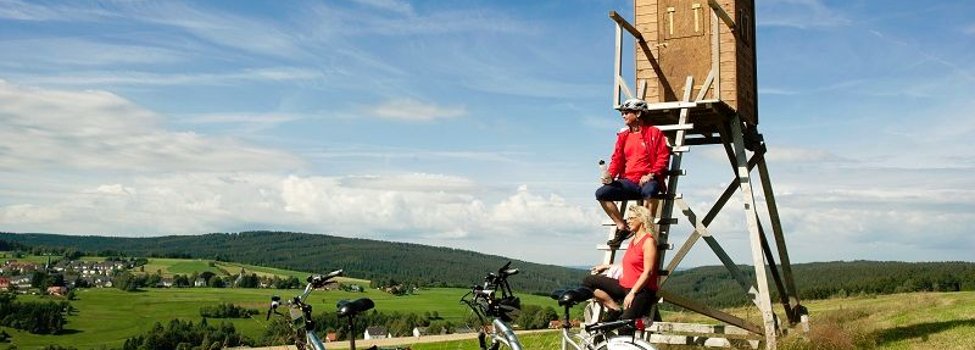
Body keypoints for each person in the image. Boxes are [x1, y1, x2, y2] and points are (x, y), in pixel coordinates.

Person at [595, 98, 671, 247]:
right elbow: (617, 159)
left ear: (638, 113)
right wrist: (610, 175)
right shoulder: (623, 136)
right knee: (601, 193)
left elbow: (663, 157)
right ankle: (623, 227)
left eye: (626, 112)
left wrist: (651, 174)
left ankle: (647, 231)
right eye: (622, 113)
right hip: (628, 182)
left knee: (650, 190)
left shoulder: (654, 132)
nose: (623, 115)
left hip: (648, 180)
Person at [583, 204, 659, 321]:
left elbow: (648, 272)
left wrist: (632, 293)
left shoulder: (648, 241)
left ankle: (624, 323)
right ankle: (614, 308)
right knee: (588, 282)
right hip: (624, 285)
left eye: (631, 218)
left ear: (642, 219)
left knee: (624, 323)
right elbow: (628, 264)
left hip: (641, 290)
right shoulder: (634, 241)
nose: (628, 221)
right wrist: (607, 266)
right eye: (627, 219)